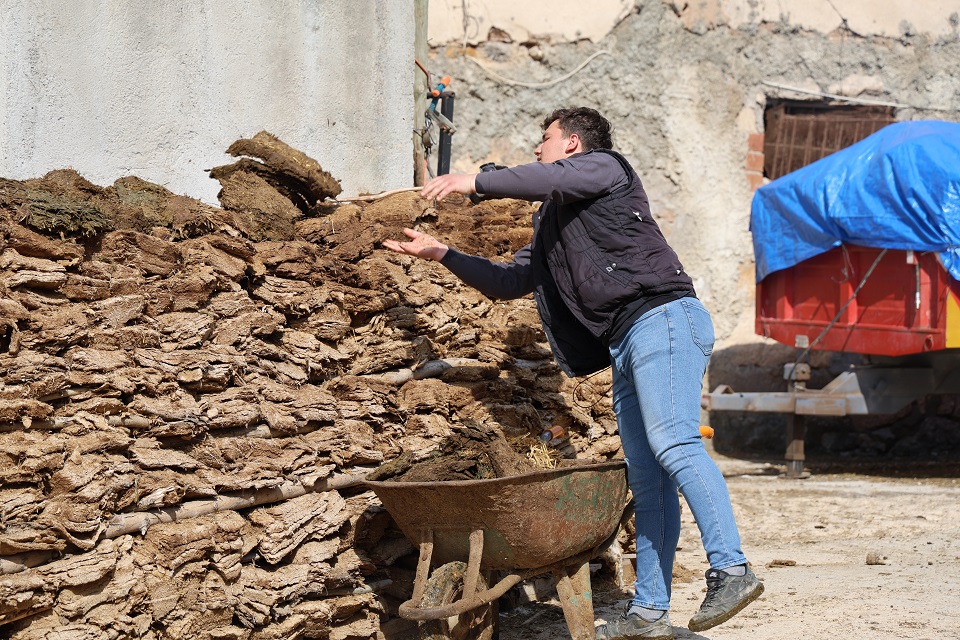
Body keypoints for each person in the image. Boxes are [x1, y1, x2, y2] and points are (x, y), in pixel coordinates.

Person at [383, 107, 763, 639]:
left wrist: (474, 180)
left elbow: (547, 178)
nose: (536, 150)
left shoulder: (606, 169)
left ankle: (733, 569)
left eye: (544, 139)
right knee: (647, 477)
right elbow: (508, 281)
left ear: (572, 144)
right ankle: (649, 613)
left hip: (664, 319)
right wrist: (442, 253)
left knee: (675, 444)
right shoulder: (552, 222)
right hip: (626, 339)